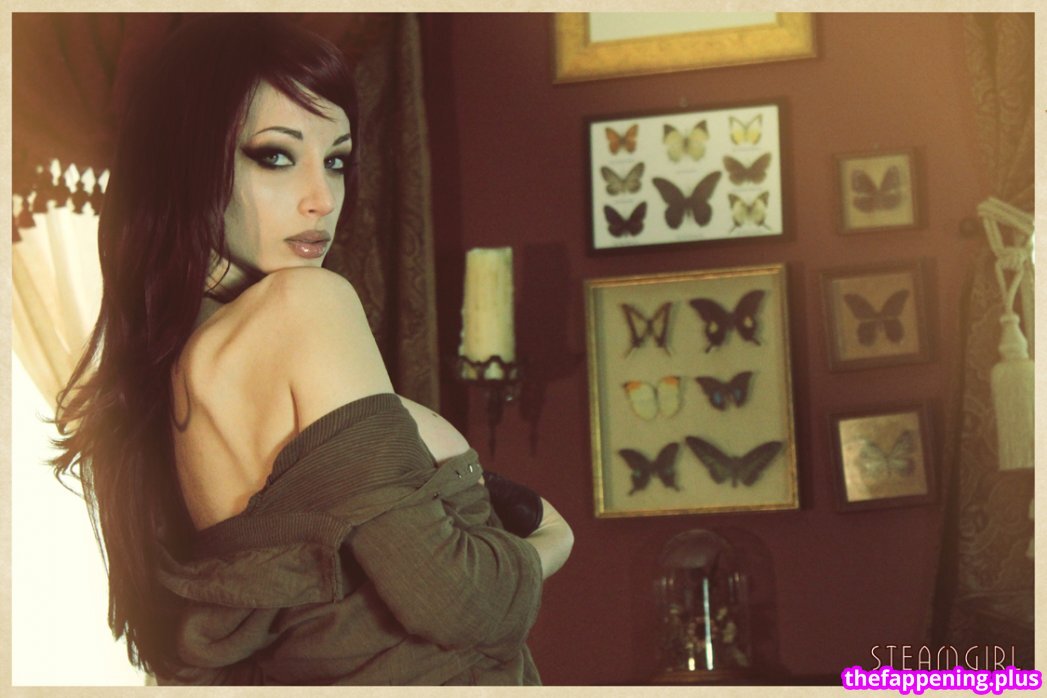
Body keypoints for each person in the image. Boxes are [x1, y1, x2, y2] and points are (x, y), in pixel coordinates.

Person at [51, 14, 572, 685]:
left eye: (336, 160)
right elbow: (457, 600)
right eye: (274, 156)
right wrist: (552, 539)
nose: (322, 199)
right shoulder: (306, 304)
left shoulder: (178, 372)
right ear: (187, 165)